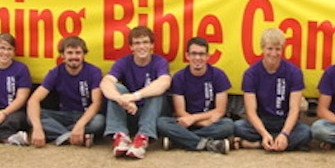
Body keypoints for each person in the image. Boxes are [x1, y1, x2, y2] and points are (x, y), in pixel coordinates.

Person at [233, 28, 312, 151]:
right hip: (261, 121)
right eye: (270, 49)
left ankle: (256, 144)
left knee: (306, 132)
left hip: (284, 121)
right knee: (236, 127)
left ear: (282, 49)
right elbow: (250, 112)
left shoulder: (294, 72)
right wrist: (264, 133)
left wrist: (285, 134)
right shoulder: (251, 74)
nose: (274, 53)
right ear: (262, 49)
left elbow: (294, 109)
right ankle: (272, 142)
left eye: (278, 49)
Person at [101, 26, 172, 159]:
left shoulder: (159, 62)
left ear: (152, 45)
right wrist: (121, 99)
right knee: (117, 88)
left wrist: (134, 96)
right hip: (131, 111)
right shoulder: (123, 62)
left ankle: (142, 138)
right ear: (131, 47)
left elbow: (164, 83)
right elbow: (105, 83)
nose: (141, 47)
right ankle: (120, 137)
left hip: (152, 113)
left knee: (155, 91)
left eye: (145, 42)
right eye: (137, 43)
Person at [156, 37, 234, 153]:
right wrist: (195, 121)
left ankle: (179, 140)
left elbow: (220, 110)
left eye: (201, 54)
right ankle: (207, 144)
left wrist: (194, 119)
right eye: (194, 54)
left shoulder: (218, 75)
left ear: (208, 56)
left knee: (228, 125)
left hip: (209, 122)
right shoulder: (179, 77)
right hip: (186, 122)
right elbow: (180, 111)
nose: (197, 58)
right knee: (161, 123)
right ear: (187, 56)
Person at [25, 36, 105, 147]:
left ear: (83, 55)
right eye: (70, 53)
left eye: (78, 53)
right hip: (63, 115)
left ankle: (59, 134)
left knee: (99, 121)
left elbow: (97, 103)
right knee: (32, 117)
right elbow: (34, 100)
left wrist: (80, 125)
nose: (74, 57)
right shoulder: (55, 72)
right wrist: (37, 128)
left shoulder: (94, 72)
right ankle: (71, 136)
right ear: (62, 55)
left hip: (85, 115)